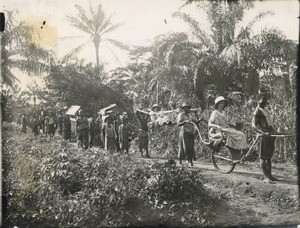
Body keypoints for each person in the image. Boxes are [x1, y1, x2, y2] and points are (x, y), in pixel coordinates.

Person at [252, 95, 278, 183]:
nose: (264, 101)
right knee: (263, 157)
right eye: (262, 99)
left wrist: (274, 131)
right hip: (263, 136)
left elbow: (269, 123)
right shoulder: (257, 111)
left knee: (269, 157)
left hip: (270, 135)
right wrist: (261, 132)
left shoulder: (266, 111)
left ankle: (270, 175)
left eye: (265, 100)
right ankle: (266, 177)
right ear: (258, 100)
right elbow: (254, 125)